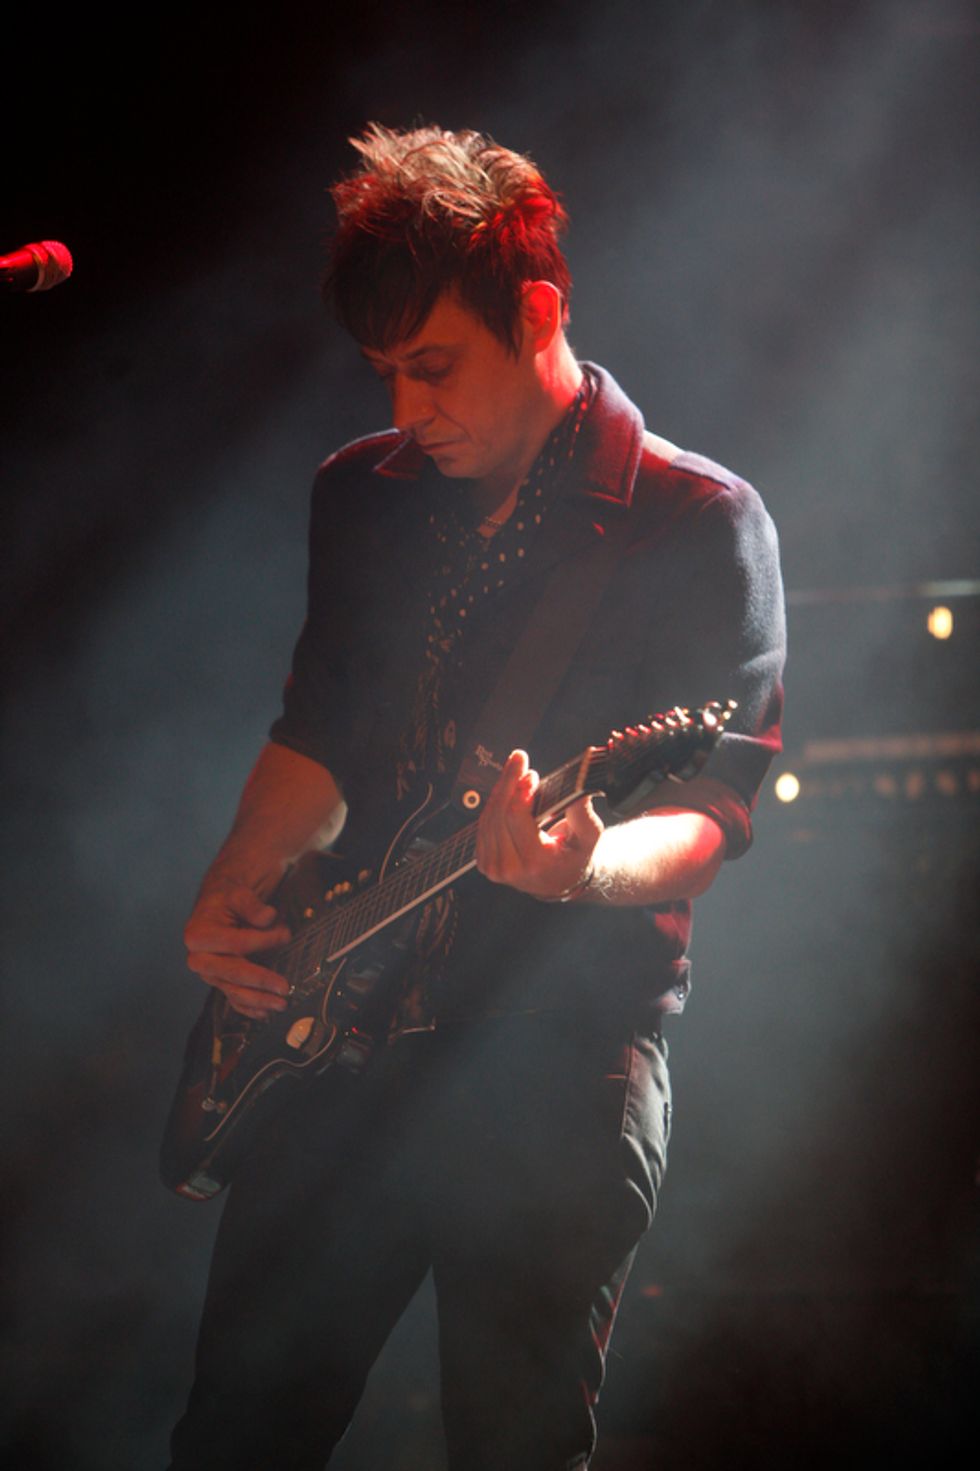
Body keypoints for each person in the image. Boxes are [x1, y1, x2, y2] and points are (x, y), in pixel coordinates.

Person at [169, 124, 785, 1470]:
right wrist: (237, 882)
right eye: (385, 371)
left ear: (539, 312)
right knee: (232, 1437)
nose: (406, 409)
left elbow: (715, 811)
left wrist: (583, 870)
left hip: (553, 1070)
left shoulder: (696, 521)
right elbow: (319, 735)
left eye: (436, 366)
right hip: (334, 1053)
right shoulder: (364, 496)